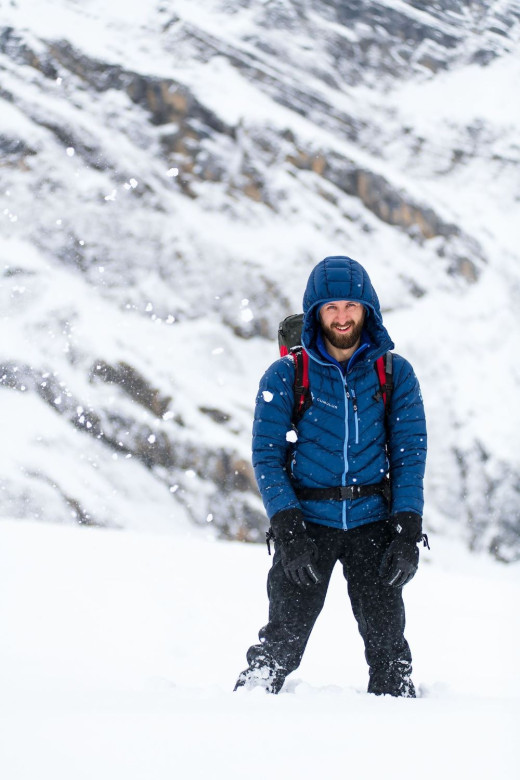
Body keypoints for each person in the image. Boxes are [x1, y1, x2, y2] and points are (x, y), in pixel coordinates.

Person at [234, 255, 427, 697]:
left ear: (367, 309)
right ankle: (241, 728)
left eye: (350, 306)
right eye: (331, 308)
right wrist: (287, 526)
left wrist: (407, 527)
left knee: (390, 659)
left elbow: (410, 453)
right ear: (316, 312)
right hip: (307, 524)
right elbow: (266, 455)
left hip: (373, 523)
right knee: (278, 649)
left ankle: (404, 749)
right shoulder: (286, 374)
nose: (342, 317)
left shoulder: (395, 373)